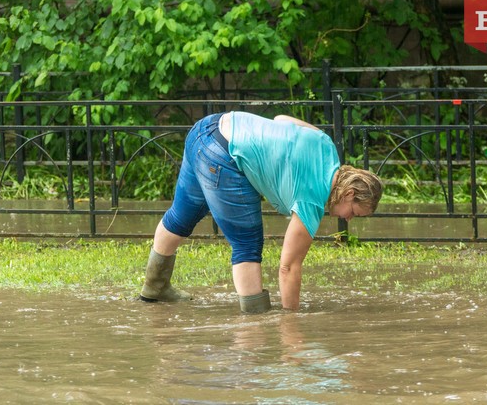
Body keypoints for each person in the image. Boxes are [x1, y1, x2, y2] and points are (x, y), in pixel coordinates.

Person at [139, 111, 383, 313]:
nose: (348, 219)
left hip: (207, 128)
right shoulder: (313, 198)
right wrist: (291, 320)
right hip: (224, 155)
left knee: (181, 218)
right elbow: (288, 267)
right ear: (349, 194)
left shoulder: (325, 144)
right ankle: (255, 322)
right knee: (247, 243)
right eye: (354, 213)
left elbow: (280, 120)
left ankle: (154, 288)